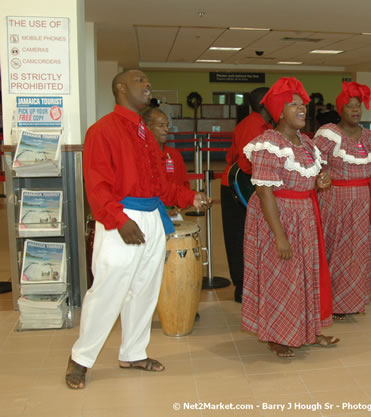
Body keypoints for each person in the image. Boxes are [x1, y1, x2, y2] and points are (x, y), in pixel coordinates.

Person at [65, 70, 211, 389]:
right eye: (139, 81)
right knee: (107, 289)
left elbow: (160, 184)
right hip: (121, 217)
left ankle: (133, 352)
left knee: (144, 288)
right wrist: (119, 221)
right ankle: (80, 359)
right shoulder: (101, 130)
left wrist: (190, 197)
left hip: (151, 218)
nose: (147, 85)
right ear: (120, 88)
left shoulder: (145, 133)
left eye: (147, 81)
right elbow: (97, 183)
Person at [240, 77, 339, 358]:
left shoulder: (307, 143)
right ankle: (278, 335)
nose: (301, 108)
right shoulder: (267, 143)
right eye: (293, 104)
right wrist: (279, 235)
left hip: (304, 216)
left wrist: (320, 182)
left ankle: (307, 329)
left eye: (302, 104)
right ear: (279, 111)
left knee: (304, 274)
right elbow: (264, 191)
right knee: (280, 276)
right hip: (278, 217)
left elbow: (309, 178)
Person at [313, 81, 371, 321]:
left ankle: (353, 299)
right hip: (335, 201)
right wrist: (322, 180)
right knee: (336, 250)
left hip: (362, 201)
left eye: (358, 106)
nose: (355, 110)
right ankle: (331, 301)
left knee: (358, 252)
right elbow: (314, 166)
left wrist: (369, 187)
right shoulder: (329, 134)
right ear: (340, 109)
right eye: (350, 106)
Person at [220, 87, 272, 303]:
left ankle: (249, 285)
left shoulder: (262, 125)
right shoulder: (254, 126)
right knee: (239, 237)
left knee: (246, 237)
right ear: (265, 103)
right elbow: (249, 163)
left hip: (244, 185)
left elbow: (230, 155)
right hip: (239, 188)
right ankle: (243, 287)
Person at [143, 107, 190, 219]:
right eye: (160, 126)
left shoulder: (175, 155)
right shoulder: (141, 156)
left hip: (174, 213)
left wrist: (179, 207)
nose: (166, 129)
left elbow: (184, 185)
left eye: (167, 125)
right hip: (150, 215)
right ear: (148, 128)